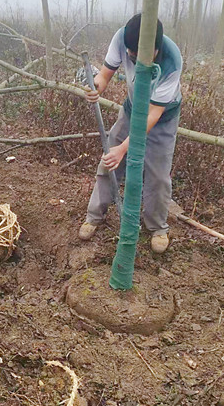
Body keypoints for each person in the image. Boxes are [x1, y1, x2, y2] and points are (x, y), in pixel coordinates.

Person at [78, 13, 182, 254]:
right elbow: (104, 75)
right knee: (108, 162)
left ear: (156, 48)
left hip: (161, 118)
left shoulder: (172, 61)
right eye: (132, 56)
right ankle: (94, 216)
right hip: (132, 108)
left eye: (142, 56)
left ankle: (157, 227)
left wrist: (123, 149)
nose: (134, 60)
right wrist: (96, 89)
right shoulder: (122, 38)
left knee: (158, 173)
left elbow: (152, 117)